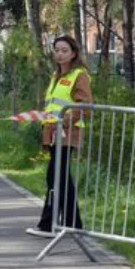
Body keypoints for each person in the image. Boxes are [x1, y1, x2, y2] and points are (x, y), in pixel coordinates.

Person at [27, 35, 92, 238]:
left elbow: (84, 106)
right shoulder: (55, 77)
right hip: (53, 134)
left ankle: (49, 224)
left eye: (65, 50)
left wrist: (63, 121)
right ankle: (71, 224)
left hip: (67, 133)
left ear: (73, 53)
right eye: (57, 50)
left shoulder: (79, 75)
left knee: (56, 177)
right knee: (59, 178)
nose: (60, 54)